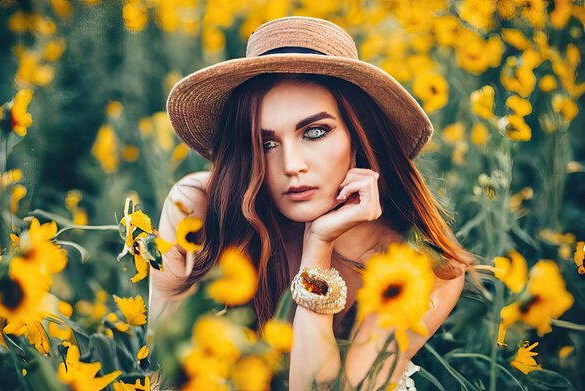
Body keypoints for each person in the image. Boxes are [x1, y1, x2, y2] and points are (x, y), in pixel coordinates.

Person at [149, 16, 474, 390]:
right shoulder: (198, 212)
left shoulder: (424, 269)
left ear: (359, 134)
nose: (291, 165)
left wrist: (318, 247)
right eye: (266, 142)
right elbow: (164, 370)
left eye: (315, 132)